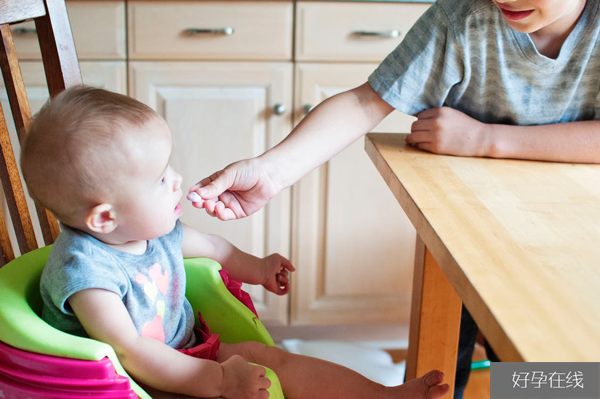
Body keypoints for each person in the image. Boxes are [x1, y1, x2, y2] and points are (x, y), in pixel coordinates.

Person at [187, 0, 600, 397]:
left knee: (541, 370)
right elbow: (367, 101)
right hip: (468, 231)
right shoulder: (462, 17)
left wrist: (486, 139)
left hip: (571, 242)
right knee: (442, 366)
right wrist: (272, 171)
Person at [21, 86, 450, 399]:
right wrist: (221, 381)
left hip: (187, 352)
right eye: (159, 180)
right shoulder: (88, 275)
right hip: (129, 383)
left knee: (272, 359)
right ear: (105, 217)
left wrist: (259, 268)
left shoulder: (150, 231)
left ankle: (382, 396)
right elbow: (128, 353)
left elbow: (215, 248)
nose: (177, 180)